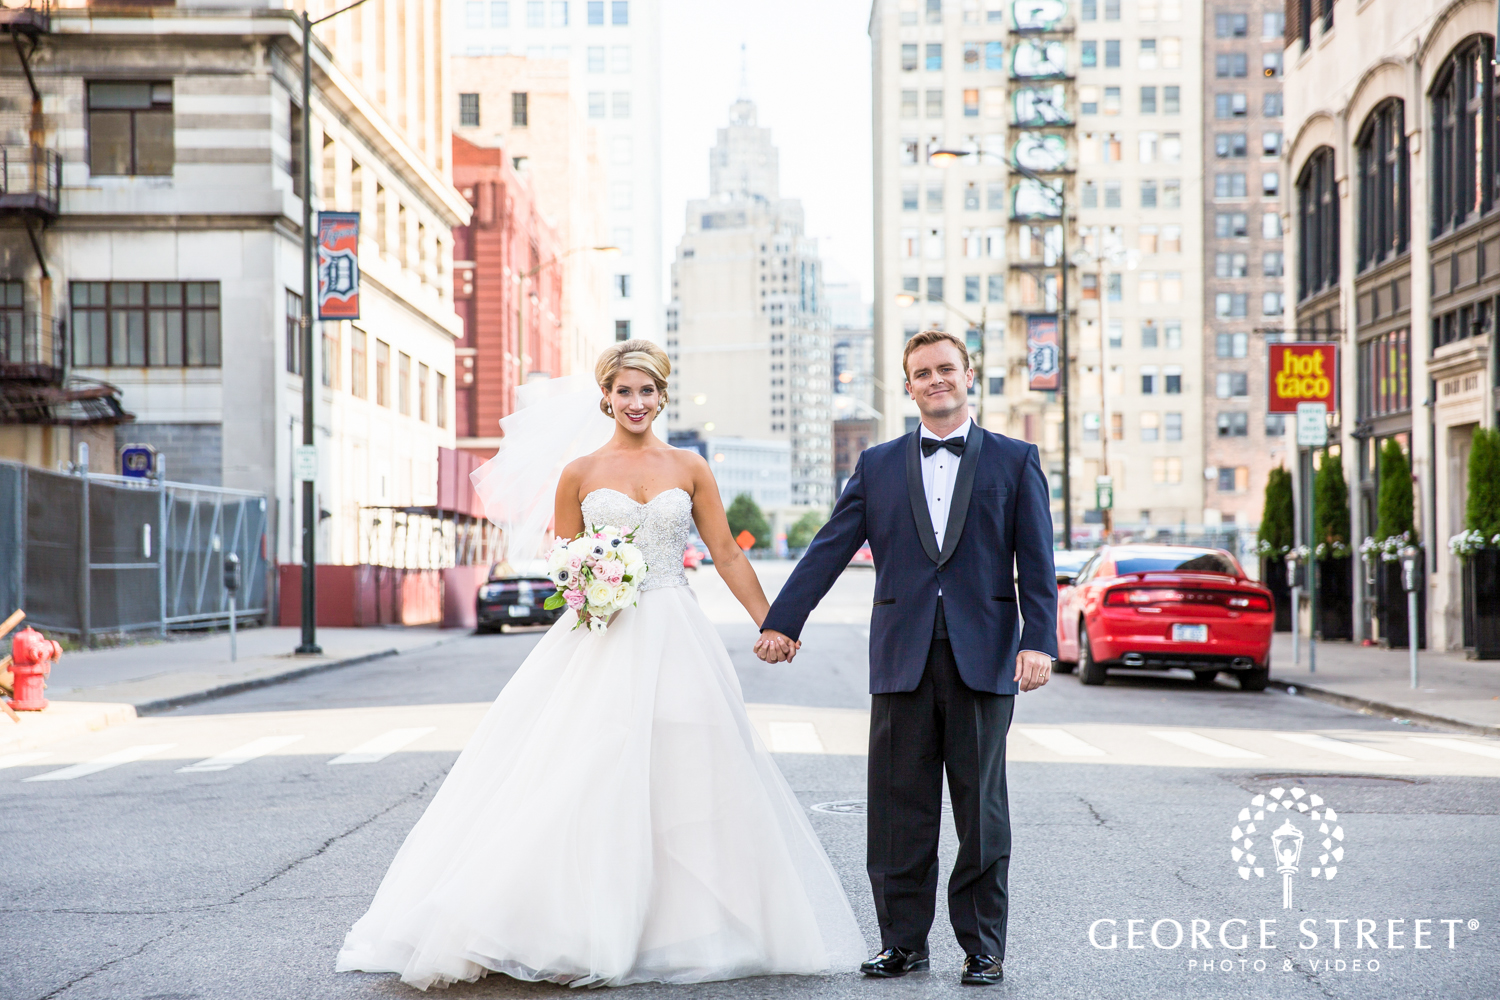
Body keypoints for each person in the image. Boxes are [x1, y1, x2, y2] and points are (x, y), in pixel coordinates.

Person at [336, 340, 864, 990]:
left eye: (648, 391)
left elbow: (725, 552)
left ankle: (682, 924)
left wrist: (774, 622)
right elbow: (564, 561)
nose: (636, 402)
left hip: (676, 628)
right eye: (625, 391)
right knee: (586, 767)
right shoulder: (579, 473)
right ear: (607, 397)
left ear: (663, 397)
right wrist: (592, 587)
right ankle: (576, 922)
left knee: (689, 768)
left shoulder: (691, 467)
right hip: (601, 633)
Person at [755, 329, 1056, 987]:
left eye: (946, 368)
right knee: (898, 810)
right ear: (909, 384)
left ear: (968, 374)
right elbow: (830, 546)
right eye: (922, 372)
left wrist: (1039, 640)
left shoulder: (1015, 459)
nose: (935, 380)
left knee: (981, 814)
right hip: (901, 658)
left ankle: (983, 947)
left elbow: (1037, 562)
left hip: (984, 659)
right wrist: (783, 622)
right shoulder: (879, 464)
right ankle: (903, 943)